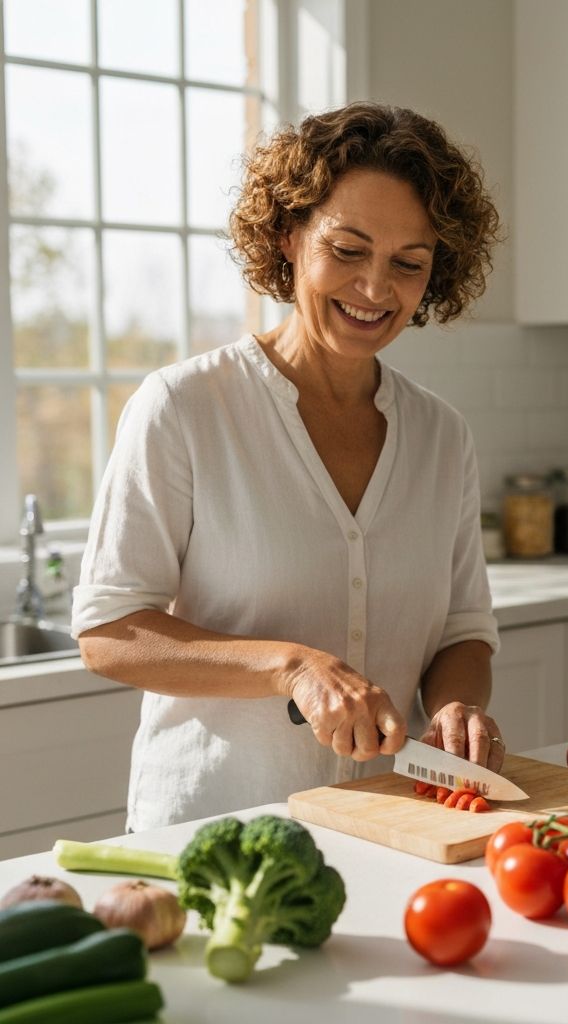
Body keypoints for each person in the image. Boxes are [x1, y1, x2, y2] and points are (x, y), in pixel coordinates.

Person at [72, 102, 505, 832]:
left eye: (408, 263)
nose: (376, 289)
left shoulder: (441, 435)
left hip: (393, 825)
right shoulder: (184, 407)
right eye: (347, 249)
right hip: (215, 830)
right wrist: (291, 666)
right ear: (289, 235)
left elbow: (463, 629)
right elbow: (109, 633)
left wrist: (459, 707)